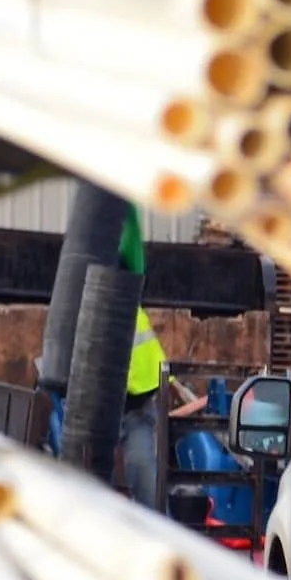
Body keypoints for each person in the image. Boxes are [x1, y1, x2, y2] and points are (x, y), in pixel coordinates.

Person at [114, 204, 169, 509]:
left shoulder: (128, 288)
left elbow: (133, 241)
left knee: (142, 472)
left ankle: (160, 532)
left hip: (136, 406)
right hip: (100, 406)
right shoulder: (85, 298)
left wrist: (128, 204)